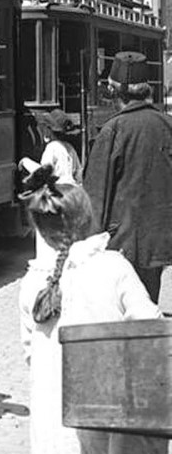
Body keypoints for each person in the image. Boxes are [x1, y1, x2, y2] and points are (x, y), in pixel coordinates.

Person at [18, 164, 167, 454]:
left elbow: (29, 352)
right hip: (110, 409)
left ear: (40, 228)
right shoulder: (113, 267)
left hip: (55, 408)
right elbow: (151, 329)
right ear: (87, 218)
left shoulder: (30, 283)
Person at [83, 51, 172, 303]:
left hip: (120, 246)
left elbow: (95, 197)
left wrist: (86, 249)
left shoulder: (114, 129)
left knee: (120, 313)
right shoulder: (167, 125)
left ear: (115, 92)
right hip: (158, 244)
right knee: (146, 303)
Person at [21, 108, 83, 271]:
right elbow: (79, 174)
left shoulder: (52, 148)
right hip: (71, 196)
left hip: (54, 197)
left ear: (49, 130)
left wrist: (26, 162)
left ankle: (50, 270)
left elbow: (43, 172)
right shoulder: (70, 148)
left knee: (48, 240)